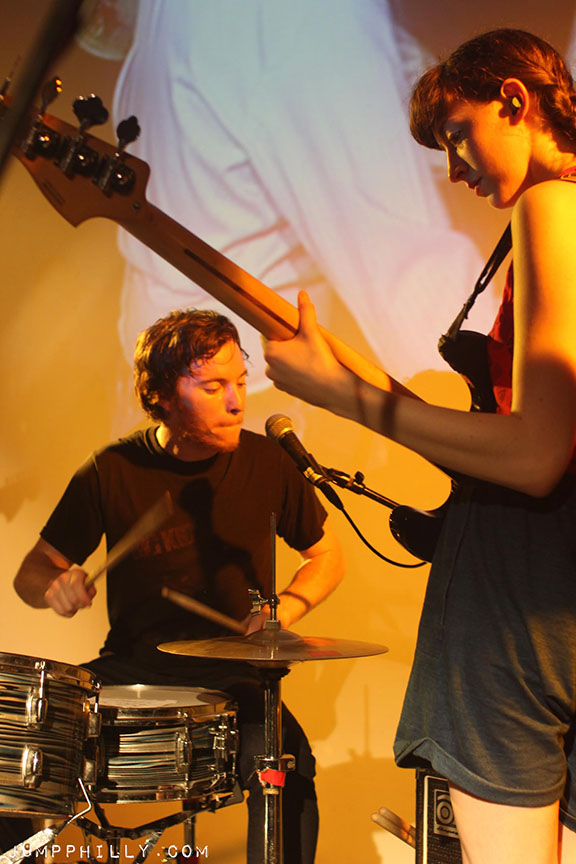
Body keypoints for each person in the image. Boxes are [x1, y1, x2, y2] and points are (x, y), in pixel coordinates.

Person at [264, 28, 576, 864]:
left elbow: (535, 455)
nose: (454, 169)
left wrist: (342, 398)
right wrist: (348, 377)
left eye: (457, 134)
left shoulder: (551, 205)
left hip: (518, 602)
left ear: (515, 100)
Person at [12, 309, 344, 863]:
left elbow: (327, 555)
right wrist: (54, 587)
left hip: (234, 672)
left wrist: (285, 608)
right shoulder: (112, 468)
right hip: (132, 666)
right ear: (162, 395)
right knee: (22, 743)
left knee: (288, 764)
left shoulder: (269, 464)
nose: (237, 402)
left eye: (241, 382)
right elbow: (32, 572)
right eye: (213, 387)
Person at [108, 0, 488, 404]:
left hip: (169, 373)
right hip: (248, 399)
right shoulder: (304, 15)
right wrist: (503, 391)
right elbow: (406, 269)